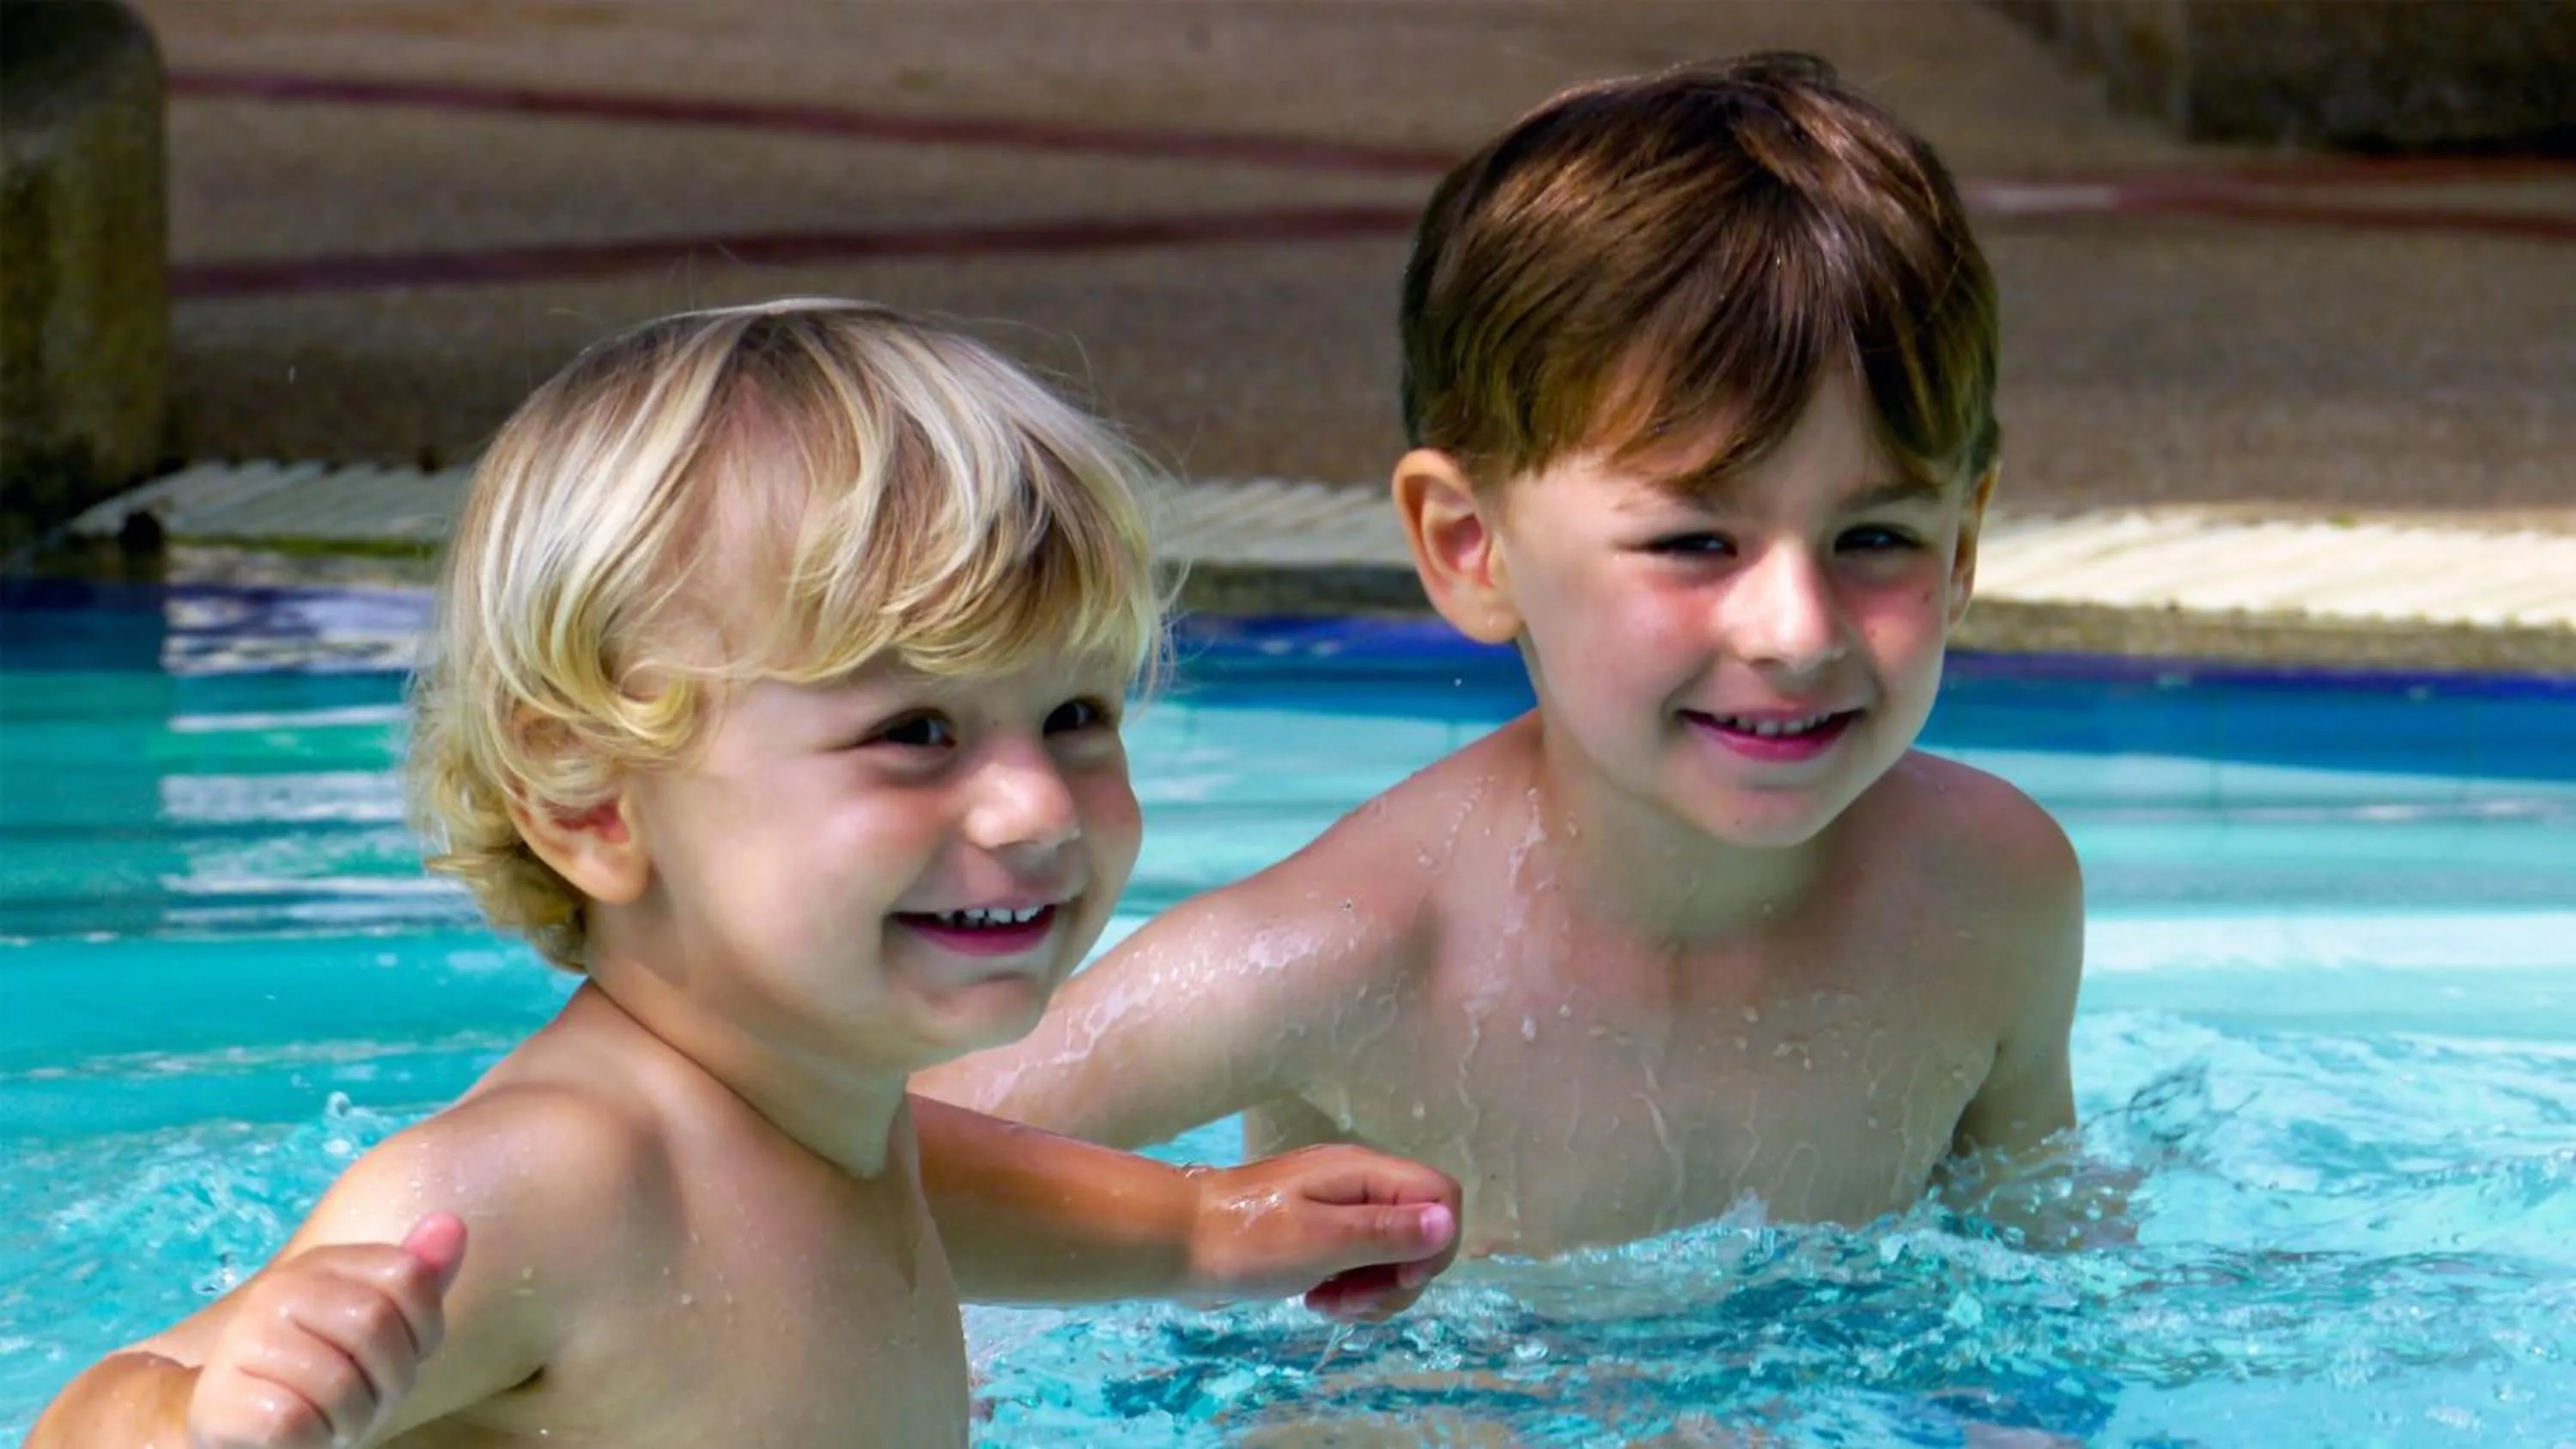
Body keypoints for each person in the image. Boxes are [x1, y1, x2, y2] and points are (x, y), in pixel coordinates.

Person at [31, 299, 1459, 1449]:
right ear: (589, 798)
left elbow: (913, 1183)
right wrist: (208, 1421)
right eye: (915, 733)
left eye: (1076, 717)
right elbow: (84, 1422)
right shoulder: (544, 1183)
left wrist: (1203, 1227)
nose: (1034, 809)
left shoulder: (808, 1101)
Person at [922, 52, 2110, 1259]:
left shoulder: (1988, 895)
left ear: (1962, 547)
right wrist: (1192, 1229)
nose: (1796, 631)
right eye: (1696, 540)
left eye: (1876, 539)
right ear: (1472, 545)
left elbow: (2041, 1267)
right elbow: (873, 1153)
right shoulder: (1346, 954)